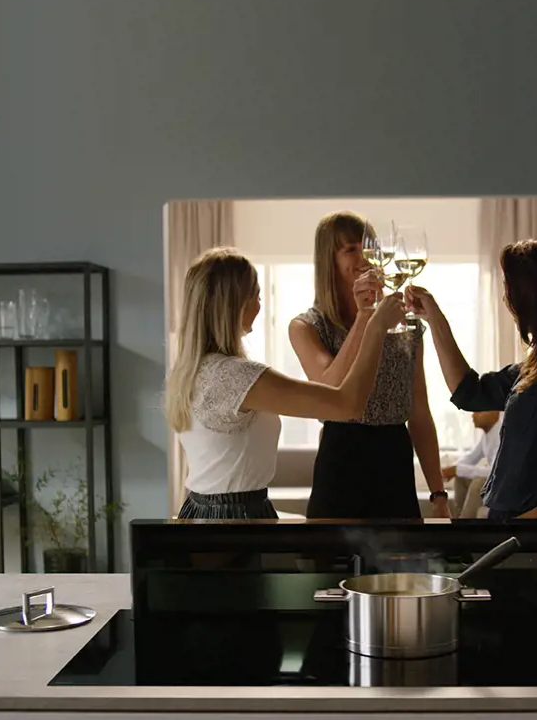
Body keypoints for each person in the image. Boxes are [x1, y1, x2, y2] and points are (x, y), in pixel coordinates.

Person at [406, 236, 537, 570]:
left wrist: (519, 528)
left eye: (513, 288)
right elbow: (470, 392)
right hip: (517, 543)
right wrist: (434, 317)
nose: (509, 299)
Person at [165, 246, 405, 519]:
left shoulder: (191, 371)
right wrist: (376, 328)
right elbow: (348, 404)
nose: (260, 304)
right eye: (257, 295)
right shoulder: (235, 377)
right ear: (235, 304)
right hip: (236, 522)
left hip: (200, 511)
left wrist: (363, 318)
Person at [289, 211, 449, 520]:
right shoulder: (307, 326)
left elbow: (418, 410)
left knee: (404, 553)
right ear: (329, 261)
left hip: (395, 459)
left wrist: (438, 494)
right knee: (330, 553)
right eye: (350, 249)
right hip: (341, 459)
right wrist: (366, 318)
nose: (364, 257)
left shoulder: (406, 324)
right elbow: (328, 391)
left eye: (368, 248)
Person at [441, 410, 503, 518]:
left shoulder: (502, 434)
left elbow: (495, 473)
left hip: (504, 485)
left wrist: (457, 469)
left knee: (479, 482)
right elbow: (471, 457)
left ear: (494, 412)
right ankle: (459, 518)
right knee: (461, 477)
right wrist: (451, 469)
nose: (473, 415)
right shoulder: (488, 434)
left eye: (478, 412)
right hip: (496, 484)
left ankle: (466, 521)